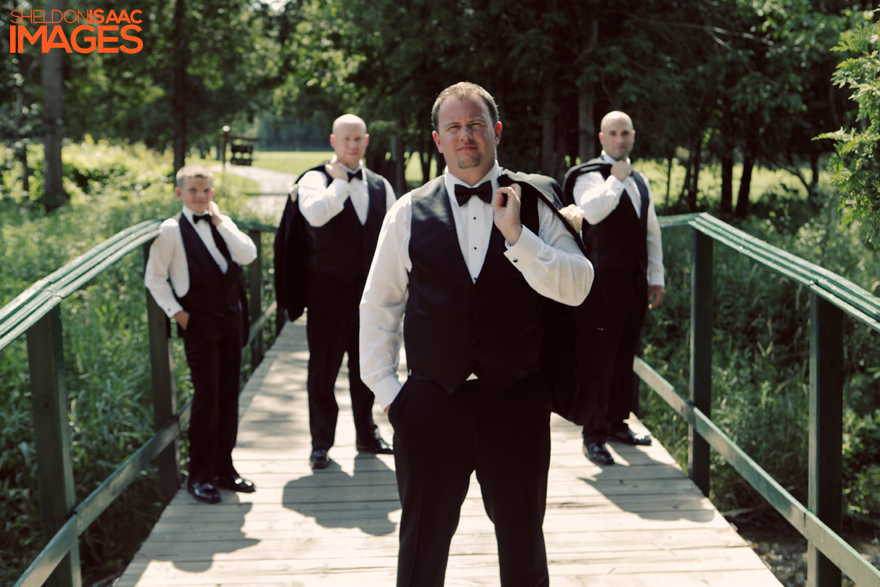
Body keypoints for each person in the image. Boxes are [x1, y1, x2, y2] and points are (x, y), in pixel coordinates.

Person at [359, 82, 593, 587]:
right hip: (429, 404)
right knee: (421, 544)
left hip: (516, 402)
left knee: (524, 544)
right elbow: (379, 308)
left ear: (497, 132)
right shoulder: (406, 211)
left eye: (476, 125)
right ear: (438, 141)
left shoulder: (535, 203)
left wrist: (518, 237)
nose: (466, 136)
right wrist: (391, 396)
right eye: (454, 127)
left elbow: (579, 287)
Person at [144, 164, 258, 503]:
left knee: (228, 394)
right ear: (179, 193)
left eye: (206, 190)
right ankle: (200, 476)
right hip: (199, 322)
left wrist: (221, 221)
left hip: (231, 318)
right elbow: (154, 278)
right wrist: (179, 315)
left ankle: (225, 467)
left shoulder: (219, 221)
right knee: (207, 397)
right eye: (193, 190)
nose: (200, 197)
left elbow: (248, 255)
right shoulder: (171, 230)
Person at [297, 114, 397, 470]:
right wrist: (338, 184)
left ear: (367, 141)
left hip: (369, 293)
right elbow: (315, 215)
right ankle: (321, 442)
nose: (352, 145)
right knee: (323, 368)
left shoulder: (381, 185)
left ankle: (366, 434)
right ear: (333, 142)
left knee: (366, 365)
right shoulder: (314, 179)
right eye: (346, 139)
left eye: (358, 139)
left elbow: (394, 239)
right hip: (326, 292)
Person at [566, 111, 665, 466]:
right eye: (613, 133)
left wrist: (657, 277)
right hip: (602, 282)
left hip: (635, 280)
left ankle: (617, 423)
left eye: (625, 133)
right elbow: (591, 213)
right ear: (601, 137)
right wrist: (616, 180)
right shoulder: (587, 176)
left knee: (626, 353)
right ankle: (593, 435)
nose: (620, 140)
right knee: (600, 357)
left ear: (633, 136)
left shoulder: (641, 181)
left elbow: (650, 231)